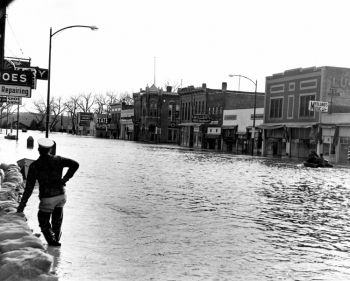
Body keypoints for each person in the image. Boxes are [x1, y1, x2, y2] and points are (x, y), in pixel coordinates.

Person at [17, 138, 79, 246]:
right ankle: (56, 244)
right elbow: (75, 164)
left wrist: (22, 206)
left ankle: (52, 243)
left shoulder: (34, 166)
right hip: (61, 195)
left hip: (47, 197)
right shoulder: (58, 159)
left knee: (43, 220)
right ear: (50, 149)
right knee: (57, 221)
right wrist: (65, 179)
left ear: (38, 149)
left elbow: (29, 188)